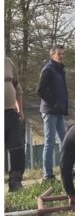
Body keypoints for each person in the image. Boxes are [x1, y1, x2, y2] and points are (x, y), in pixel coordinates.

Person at [37, 44, 69, 181]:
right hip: (50, 111)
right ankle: (48, 174)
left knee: (65, 140)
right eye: (59, 54)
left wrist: (63, 106)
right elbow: (40, 90)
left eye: (63, 53)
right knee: (49, 142)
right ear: (52, 55)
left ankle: (67, 170)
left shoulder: (60, 69)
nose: (61, 56)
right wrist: (54, 102)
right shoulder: (48, 70)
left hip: (59, 111)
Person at [5, 57, 26, 191]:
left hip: (11, 112)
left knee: (17, 147)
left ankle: (15, 181)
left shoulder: (8, 62)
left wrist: (20, 110)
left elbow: (17, 87)